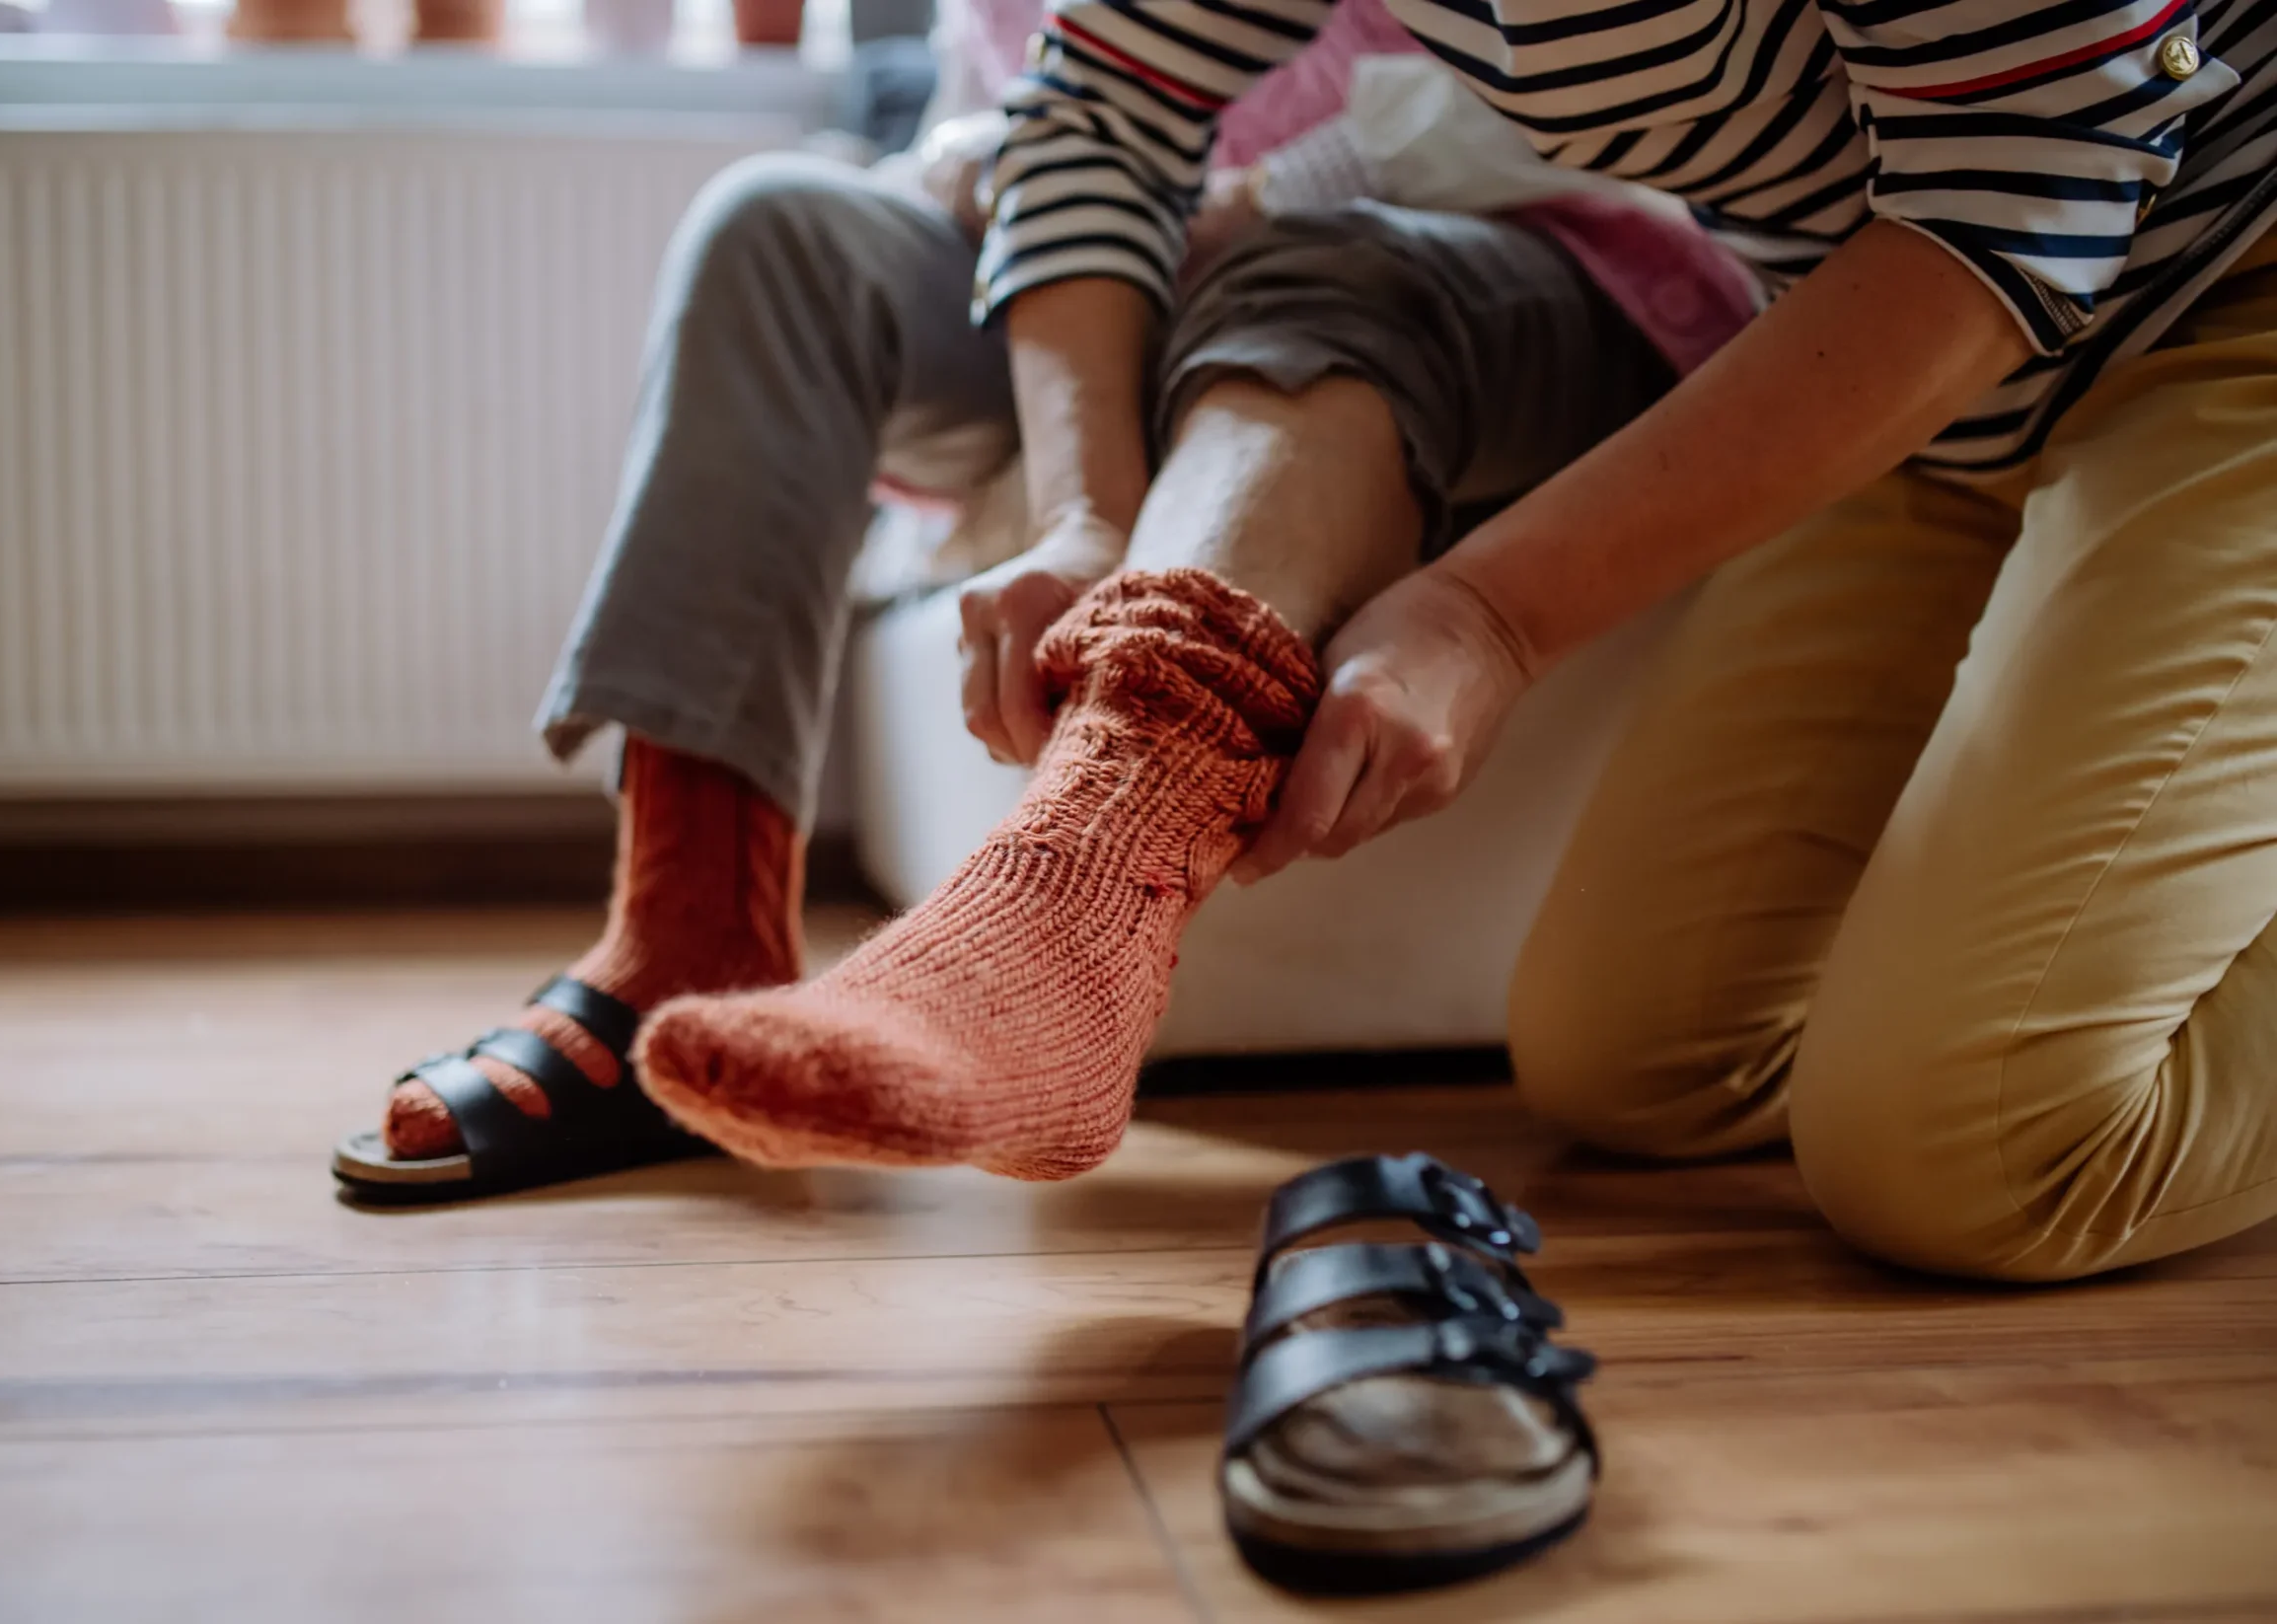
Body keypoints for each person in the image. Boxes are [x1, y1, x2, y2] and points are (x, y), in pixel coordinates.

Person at [622, 0, 2277, 1287]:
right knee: (1634, 1068)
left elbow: (2019, 188)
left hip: (2216, 299)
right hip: (1944, 407)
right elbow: (1103, 100)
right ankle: (1064, 894)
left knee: (1975, 1156)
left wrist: (1493, 610)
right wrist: (1082, 520)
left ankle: (1064, 904)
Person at [332, 0, 1756, 1198]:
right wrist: (1084, 506)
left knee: (1314, 269)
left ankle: (1059, 927)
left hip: (1498, 244)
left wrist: (1261, 195)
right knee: (776, 229)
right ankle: (686, 935)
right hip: (1145, 262)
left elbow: (1558, 102)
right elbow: (1072, 117)